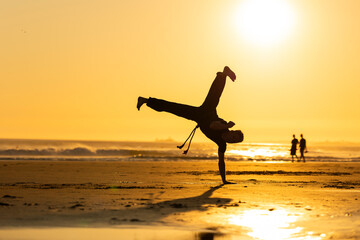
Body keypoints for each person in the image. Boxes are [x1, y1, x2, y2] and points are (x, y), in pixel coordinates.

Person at [137, 66, 244, 184]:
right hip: (208, 111)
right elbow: (213, 125)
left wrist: (224, 180)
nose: (231, 139)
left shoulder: (222, 144)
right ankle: (224, 74)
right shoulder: (224, 126)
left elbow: (221, 162)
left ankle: (146, 100)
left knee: (174, 108)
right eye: (234, 136)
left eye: (233, 141)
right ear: (232, 132)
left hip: (198, 116)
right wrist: (226, 126)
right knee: (215, 96)